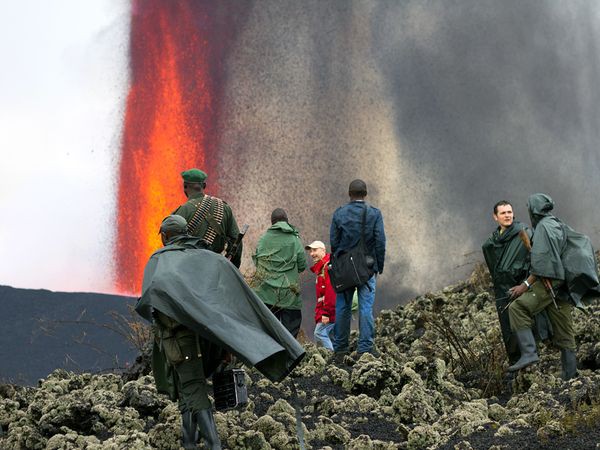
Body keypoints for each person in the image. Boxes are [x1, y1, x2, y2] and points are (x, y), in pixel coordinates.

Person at [136, 215, 305, 449]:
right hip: (210, 340)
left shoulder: (160, 261)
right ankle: (189, 442)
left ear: (165, 236)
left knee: (193, 388)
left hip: (180, 340)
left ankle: (213, 444)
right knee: (187, 389)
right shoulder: (211, 259)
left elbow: (149, 298)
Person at [507, 193, 600, 380]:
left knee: (518, 308)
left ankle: (529, 353)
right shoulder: (556, 223)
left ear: (533, 209)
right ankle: (570, 377)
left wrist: (524, 285)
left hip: (550, 282)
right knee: (564, 330)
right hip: (563, 285)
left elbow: (543, 264)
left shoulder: (543, 228)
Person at [482, 200, 551, 364]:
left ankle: (533, 360)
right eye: (503, 213)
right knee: (508, 330)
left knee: (526, 324)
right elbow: (494, 270)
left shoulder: (524, 233)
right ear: (495, 217)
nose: (507, 215)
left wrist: (525, 284)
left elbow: (537, 259)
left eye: (509, 212)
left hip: (522, 287)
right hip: (502, 291)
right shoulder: (490, 244)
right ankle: (515, 366)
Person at [330, 179, 386, 357]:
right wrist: (379, 266)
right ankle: (365, 348)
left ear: (349, 194)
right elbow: (380, 242)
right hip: (367, 268)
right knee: (365, 308)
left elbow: (334, 242)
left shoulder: (339, 214)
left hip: (345, 268)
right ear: (365, 194)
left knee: (343, 307)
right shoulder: (374, 214)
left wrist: (341, 261)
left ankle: (340, 348)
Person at [252, 208, 306, 337]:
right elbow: (302, 264)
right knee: (290, 334)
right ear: (287, 221)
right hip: (289, 295)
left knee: (270, 334)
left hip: (266, 294)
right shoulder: (294, 239)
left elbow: (256, 260)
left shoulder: (263, 239)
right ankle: (289, 356)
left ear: (272, 223)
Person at [172, 168, 242, 267]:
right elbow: (236, 242)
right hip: (216, 267)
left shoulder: (181, 212)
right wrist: (232, 268)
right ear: (204, 186)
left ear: (185, 187)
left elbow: (171, 246)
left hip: (188, 268)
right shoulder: (224, 207)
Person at [305, 240, 336, 350]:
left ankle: (331, 360)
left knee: (319, 333)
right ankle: (337, 360)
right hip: (329, 311)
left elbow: (330, 292)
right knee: (332, 337)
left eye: (314, 250)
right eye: (310, 251)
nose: (312, 254)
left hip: (329, 312)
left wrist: (326, 313)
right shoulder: (322, 268)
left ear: (323, 250)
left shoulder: (327, 267)